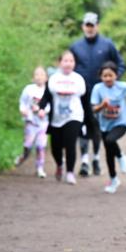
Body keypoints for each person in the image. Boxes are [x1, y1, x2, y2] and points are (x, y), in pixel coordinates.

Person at [69, 12, 126, 177]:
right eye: (87, 25)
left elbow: (120, 64)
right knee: (82, 124)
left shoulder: (107, 45)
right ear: (83, 26)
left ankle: (95, 158)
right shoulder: (76, 46)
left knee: (98, 127)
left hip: (101, 94)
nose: (90, 28)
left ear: (97, 26)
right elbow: (68, 66)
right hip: (82, 93)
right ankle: (85, 160)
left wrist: (112, 81)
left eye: (92, 25)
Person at [90, 61, 126, 194]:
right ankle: (113, 179)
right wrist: (102, 105)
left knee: (110, 141)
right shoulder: (97, 89)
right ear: (101, 77)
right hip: (104, 125)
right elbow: (93, 109)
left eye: (110, 75)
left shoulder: (122, 87)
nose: (107, 79)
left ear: (116, 76)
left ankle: (121, 156)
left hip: (120, 123)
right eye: (105, 76)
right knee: (108, 152)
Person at [36, 50, 85, 184]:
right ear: (60, 63)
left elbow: (85, 100)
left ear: (74, 63)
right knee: (55, 147)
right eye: (65, 60)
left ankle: (70, 172)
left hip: (74, 116)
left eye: (71, 61)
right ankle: (59, 165)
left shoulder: (78, 79)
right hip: (56, 118)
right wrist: (41, 108)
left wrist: (88, 120)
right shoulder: (53, 79)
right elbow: (45, 97)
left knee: (70, 145)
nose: (68, 63)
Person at [14, 66, 50, 179]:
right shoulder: (28, 89)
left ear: (46, 77)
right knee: (28, 146)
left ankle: (40, 168)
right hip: (30, 122)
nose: (39, 77)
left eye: (42, 75)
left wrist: (44, 111)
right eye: (37, 75)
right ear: (33, 77)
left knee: (41, 146)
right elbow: (22, 102)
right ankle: (23, 156)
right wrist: (22, 110)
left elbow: (51, 104)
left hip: (43, 123)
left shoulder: (48, 91)